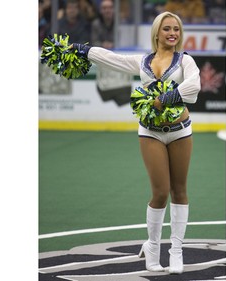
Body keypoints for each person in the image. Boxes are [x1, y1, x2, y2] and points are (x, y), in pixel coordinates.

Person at [71, 11, 201, 274]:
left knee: (180, 190)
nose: (172, 33)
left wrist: (167, 98)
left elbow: (194, 85)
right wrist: (86, 52)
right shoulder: (143, 62)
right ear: (156, 33)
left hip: (180, 131)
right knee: (160, 192)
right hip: (150, 132)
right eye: (167, 29)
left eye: (176, 29)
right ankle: (152, 246)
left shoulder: (185, 61)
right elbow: (113, 59)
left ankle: (176, 250)